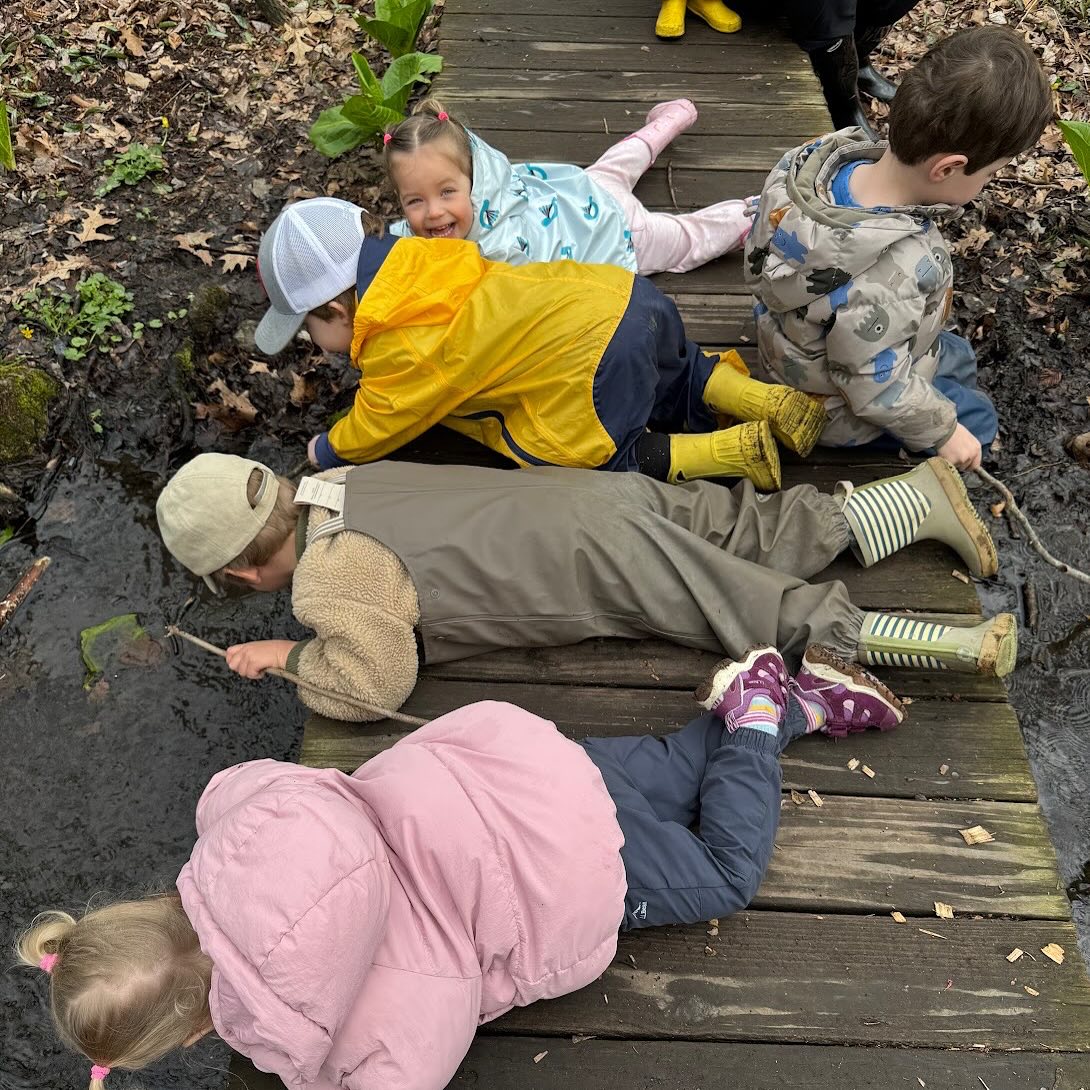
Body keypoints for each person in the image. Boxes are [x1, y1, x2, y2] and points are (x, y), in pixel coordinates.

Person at [18, 644, 905, 1089]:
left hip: (568, 870)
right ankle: (781, 703)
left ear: (183, 1037)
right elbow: (235, 784)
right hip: (514, 765)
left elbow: (407, 1061)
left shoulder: (351, 1033)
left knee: (724, 869)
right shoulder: (234, 827)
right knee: (678, 771)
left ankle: (754, 724)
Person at [154, 451, 1014, 723]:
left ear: (236, 573)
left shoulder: (328, 581)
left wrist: (292, 655)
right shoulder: (337, 478)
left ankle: (947, 645)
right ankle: (911, 500)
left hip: (591, 560)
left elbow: (377, 682)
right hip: (595, 493)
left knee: (732, 605)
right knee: (740, 529)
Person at [257, 197, 823, 488]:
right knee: (683, 373)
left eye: (309, 328)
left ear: (335, 308)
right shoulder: (418, 255)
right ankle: (765, 402)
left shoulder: (398, 351)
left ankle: (733, 453)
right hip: (623, 296)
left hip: (590, 366)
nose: (316, 343)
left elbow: (383, 419)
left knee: (599, 459)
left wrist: (328, 449)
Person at [745, 26, 1053, 470]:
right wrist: (945, 431)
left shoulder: (814, 165)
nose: (988, 184)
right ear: (948, 168)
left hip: (797, 343)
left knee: (957, 355)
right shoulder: (893, 272)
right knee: (978, 423)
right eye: (991, 174)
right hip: (835, 411)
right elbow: (872, 389)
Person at [383, 99, 752, 278]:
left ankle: (756, 212)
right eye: (415, 200)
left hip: (619, 232)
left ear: (476, 183)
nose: (433, 212)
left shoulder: (499, 254)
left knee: (688, 238)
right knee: (618, 163)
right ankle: (675, 116)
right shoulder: (501, 191)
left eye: (447, 193)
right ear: (400, 200)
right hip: (579, 189)